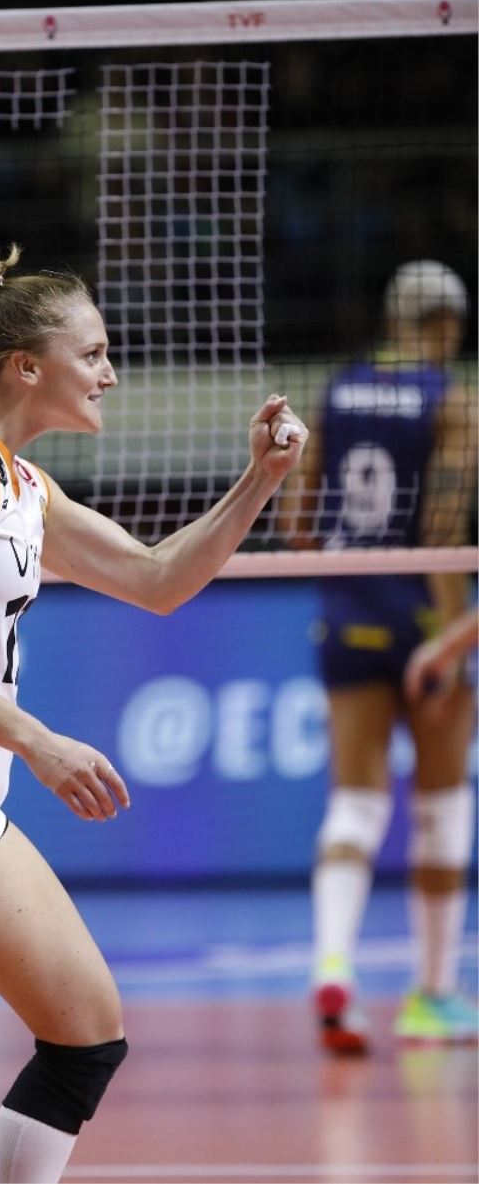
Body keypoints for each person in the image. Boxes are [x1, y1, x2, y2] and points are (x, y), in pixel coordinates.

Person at [0, 236, 308, 1184]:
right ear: (26, 366)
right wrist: (39, 742)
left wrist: (260, 480)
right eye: (93, 353)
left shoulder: (21, 482)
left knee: (85, 1033)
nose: (109, 373)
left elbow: (157, 579)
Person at [279, 259, 477, 1056]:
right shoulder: (452, 400)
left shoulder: (337, 390)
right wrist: (449, 637)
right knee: (442, 809)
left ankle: (332, 965)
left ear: (394, 317)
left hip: (348, 609)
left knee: (354, 805)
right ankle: (432, 997)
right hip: (424, 616)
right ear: (446, 325)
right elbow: (443, 528)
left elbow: (298, 521)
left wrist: (349, 572)